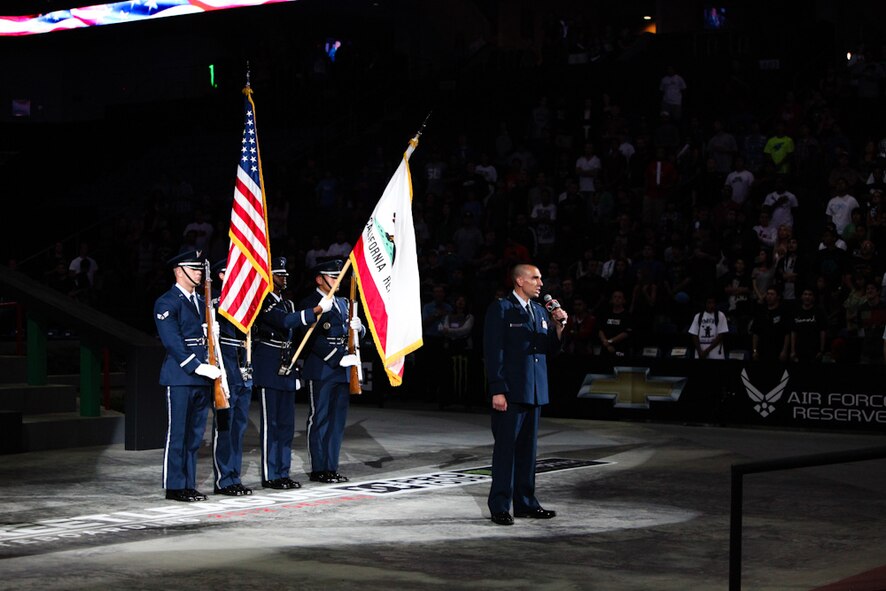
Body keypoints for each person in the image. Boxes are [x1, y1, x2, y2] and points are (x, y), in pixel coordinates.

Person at [483, 263, 567, 526]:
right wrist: (497, 389)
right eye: (535, 278)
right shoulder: (502, 308)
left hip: (534, 392)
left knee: (528, 453)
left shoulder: (541, 311)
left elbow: (549, 351)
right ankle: (500, 506)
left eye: (540, 278)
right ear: (520, 280)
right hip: (510, 392)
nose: (541, 283)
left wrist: (559, 327)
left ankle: (525, 503)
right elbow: (493, 351)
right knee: (506, 452)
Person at [252, 256, 332, 490]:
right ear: (269, 276)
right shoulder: (264, 301)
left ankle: (282, 471)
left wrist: (295, 368)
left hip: (286, 366)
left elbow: (293, 333)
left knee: (286, 425)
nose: (284, 277)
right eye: (279, 274)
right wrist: (316, 309)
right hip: (268, 366)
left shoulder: (287, 302)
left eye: (286, 274)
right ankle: (270, 475)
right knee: (271, 425)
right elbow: (285, 323)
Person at [153, 250, 219, 502]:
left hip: (202, 376)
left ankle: (188, 483)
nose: (199, 273)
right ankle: (174, 486)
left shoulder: (203, 302)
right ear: (178, 271)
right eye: (194, 269)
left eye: (200, 269)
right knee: (178, 434)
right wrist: (197, 366)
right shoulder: (167, 302)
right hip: (181, 376)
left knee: (194, 436)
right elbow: (173, 341)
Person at [298, 258, 365, 484]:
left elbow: (351, 332)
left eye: (339, 277)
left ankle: (331, 466)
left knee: (337, 421)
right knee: (320, 418)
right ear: (320, 279)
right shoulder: (311, 302)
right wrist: (337, 358)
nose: (337, 280)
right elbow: (311, 339)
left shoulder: (344, 302)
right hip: (323, 369)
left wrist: (360, 328)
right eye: (332, 276)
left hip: (343, 369)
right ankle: (318, 468)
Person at [208, 260, 254, 496]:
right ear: (220, 276)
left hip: (244, 370)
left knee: (238, 428)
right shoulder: (215, 301)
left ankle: (234, 476)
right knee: (224, 428)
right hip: (225, 372)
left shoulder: (247, 303)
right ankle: (223, 479)